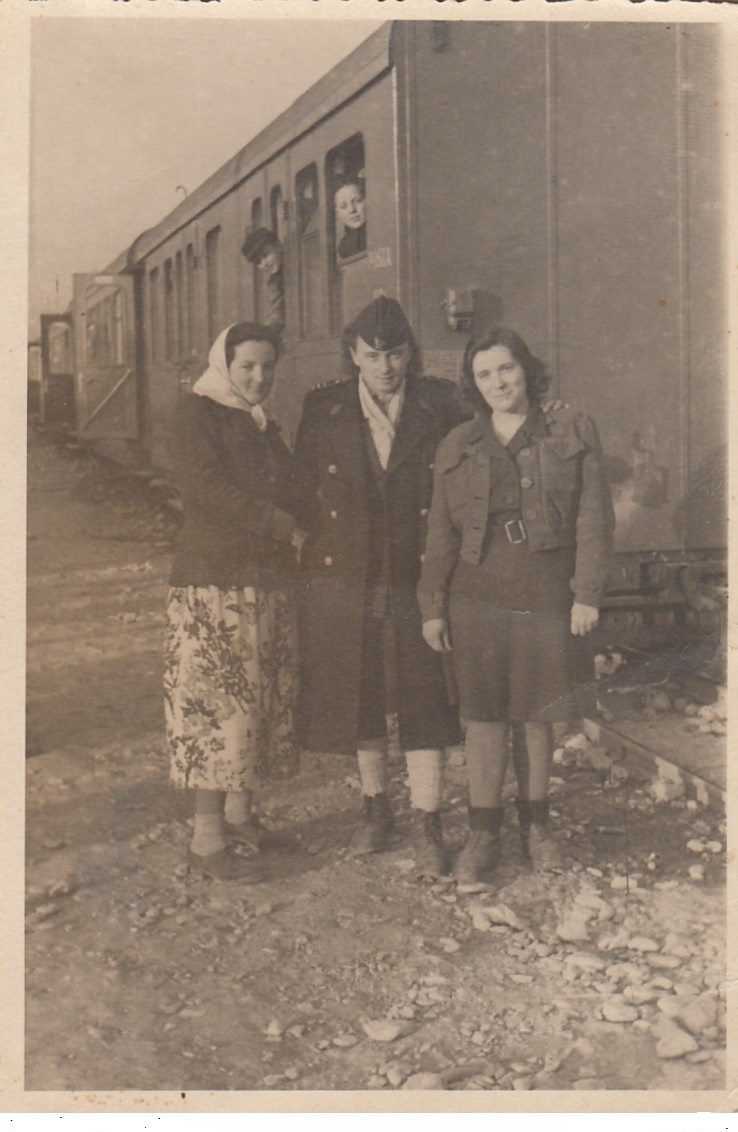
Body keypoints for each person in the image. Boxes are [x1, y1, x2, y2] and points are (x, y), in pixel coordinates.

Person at [418, 328, 615, 883]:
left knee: (536, 713)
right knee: (482, 713)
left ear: (525, 369)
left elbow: (595, 518)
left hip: (545, 587)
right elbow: (439, 534)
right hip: (476, 591)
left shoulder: (570, 428)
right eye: (484, 374)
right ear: (472, 384)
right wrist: (432, 605)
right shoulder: (456, 445)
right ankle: (484, 832)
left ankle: (537, 826)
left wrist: (586, 593)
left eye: (505, 369)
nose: (497, 382)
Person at [293, 296, 463, 877]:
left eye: (394, 354)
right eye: (372, 355)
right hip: (351, 574)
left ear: (410, 353)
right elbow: (303, 494)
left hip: (416, 575)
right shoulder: (324, 409)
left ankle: (429, 820)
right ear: (354, 356)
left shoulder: (441, 405)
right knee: (360, 693)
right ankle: (375, 809)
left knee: (423, 695)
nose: (385, 367)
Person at [164, 322, 300, 883]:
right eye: (247, 366)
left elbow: (290, 482)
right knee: (215, 713)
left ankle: (241, 817)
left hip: (263, 581)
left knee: (256, 706)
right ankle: (205, 837)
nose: (259, 376)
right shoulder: (196, 414)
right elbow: (205, 491)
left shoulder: (260, 422)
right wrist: (275, 519)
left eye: (268, 366)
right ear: (225, 363)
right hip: (213, 586)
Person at [241, 227, 285, 332]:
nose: (264, 264)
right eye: (258, 262)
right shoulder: (274, 281)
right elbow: (276, 315)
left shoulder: (297, 263)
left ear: (278, 246)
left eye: (266, 255)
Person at [334, 180, 367, 260]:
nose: (352, 210)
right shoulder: (344, 248)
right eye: (343, 206)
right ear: (337, 214)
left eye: (357, 201)